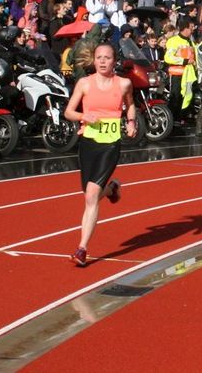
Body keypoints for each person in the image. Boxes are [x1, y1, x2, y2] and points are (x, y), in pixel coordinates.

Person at [63, 44, 137, 267]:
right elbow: (68, 112)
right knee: (89, 192)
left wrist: (131, 123)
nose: (103, 61)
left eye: (107, 58)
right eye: (99, 58)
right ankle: (112, 189)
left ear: (114, 61)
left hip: (110, 144)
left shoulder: (123, 84)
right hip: (88, 142)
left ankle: (82, 249)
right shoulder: (84, 83)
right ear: (93, 61)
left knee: (91, 195)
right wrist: (85, 116)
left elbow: (130, 106)